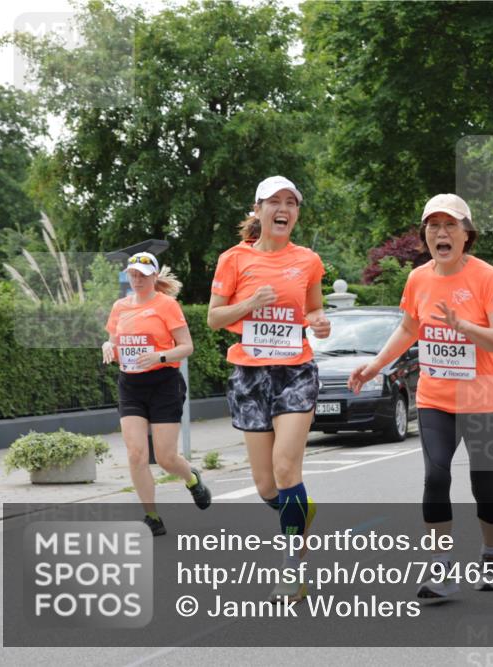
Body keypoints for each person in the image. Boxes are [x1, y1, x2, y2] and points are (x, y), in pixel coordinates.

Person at [349, 193, 493, 601]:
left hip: (483, 401)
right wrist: (374, 365)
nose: (441, 232)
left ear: (466, 234)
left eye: (450, 225)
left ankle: (490, 553)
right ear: (426, 235)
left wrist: (466, 328)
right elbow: (408, 329)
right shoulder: (418, 278)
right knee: (436, 477)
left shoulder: (486, 276)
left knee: (484, 486)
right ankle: (441, 569)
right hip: (436, 398)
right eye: (433, 225)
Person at [207, 176, 330, 602]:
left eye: (291, 202)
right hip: (250, 374)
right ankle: (300, 511)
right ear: (257, 210)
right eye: (274, 202)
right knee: (265, 486)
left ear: (296, 213)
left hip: (295, 371)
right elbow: (214, 318)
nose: (284, 208)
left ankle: (292, 569)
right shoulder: (233, 259)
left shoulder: (309, 260)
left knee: (284, 469)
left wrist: (318, 320)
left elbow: (314, 308)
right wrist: (249, 305)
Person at [103, 252, 211, 536]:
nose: (136, 280)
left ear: (153, 276)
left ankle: (191, 478)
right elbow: (115, 344)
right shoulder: (120, 307)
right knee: (136, 454)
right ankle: (152, 516)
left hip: (164, 383)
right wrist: (108, 347)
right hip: (130, 385)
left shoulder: (167, 305)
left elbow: (186, 346)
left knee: (165, 458)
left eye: (142, 275)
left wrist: (160, 357)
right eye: (132, 274)